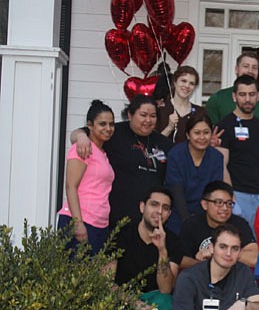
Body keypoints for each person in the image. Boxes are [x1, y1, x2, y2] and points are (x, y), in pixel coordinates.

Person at [106, 187, 183, 310]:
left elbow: (165, 289)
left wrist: (162, 250)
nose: (159, 211)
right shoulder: (121, 234)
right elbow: (105, 282)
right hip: (122, 299)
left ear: (169, 214)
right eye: (154, 205)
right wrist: (133, 303)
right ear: (142, 207)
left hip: (153, 304)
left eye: (165, 208)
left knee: (167, 304)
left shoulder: (173, 241)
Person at [72, 94, 173, 226]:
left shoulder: (163, 143)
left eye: (153, 116)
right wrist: (81, 137)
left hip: (150, 220)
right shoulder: (114, 133)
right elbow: (79, 133)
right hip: (117, 216)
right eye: (143, 115)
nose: (148, 120)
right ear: (130, 115)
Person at [215, 74, 259, 228]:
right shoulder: (224, 126)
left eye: (251, 94)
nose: (247, 99)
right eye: (242, 94)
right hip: (237, 196)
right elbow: (222, 165)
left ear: (258, 96)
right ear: (234, 97)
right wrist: (231, 198)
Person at [57, 100, 115, 254]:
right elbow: (70, 186)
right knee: (75, 275)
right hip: (81, 221)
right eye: (102, 124)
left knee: (92, 276)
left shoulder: (102, 153)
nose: (108, 128)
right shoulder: (82, 148)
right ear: (90, 125)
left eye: (111, 124)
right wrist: (77, 223)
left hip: (99, 224)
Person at [165, 115, 224, 234]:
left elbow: (214, 192)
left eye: (206, 132)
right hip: (177, 215)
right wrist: (189, 223)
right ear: (188, 135)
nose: (202, 137)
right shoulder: (176, 155)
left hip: (206, 215)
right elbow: (177, 193)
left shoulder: (216, 157)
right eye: (197, 133)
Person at [180, 180, 259, 269]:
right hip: (202, 277)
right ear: (204, 204)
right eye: (219, 202)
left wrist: (217, 253)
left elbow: (254, 258)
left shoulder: (239, 223)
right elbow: (181, 260)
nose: (225, 208)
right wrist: (207, 266)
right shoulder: (191, 224)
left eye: (229, 203)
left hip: (233, 277)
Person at [205, 52, 259, 142]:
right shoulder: (218, 99)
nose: (250, 71)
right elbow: (207, 134)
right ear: (236, 69)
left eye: (254, 67)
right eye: (246, 66)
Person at [156, 65, 210, 143]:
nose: (187, 86)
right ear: (175, 82)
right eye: (183, 81)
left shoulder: (200, 112)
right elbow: (153, 145)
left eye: (191, 83)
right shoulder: (160, 109)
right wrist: (169, 127)